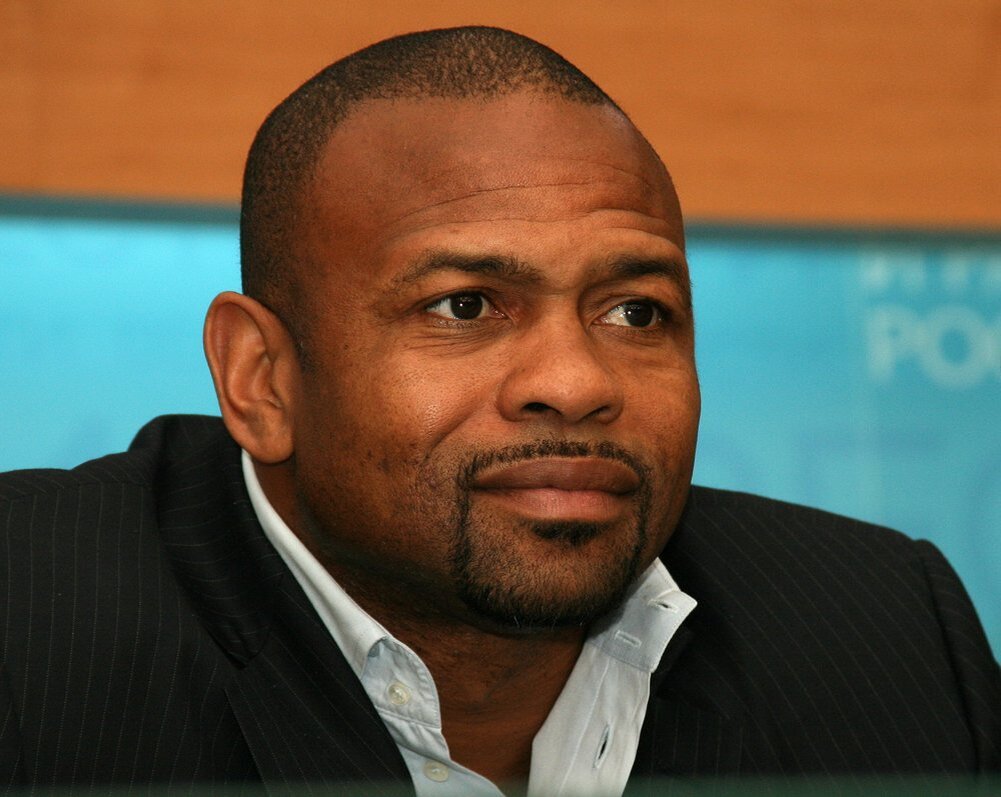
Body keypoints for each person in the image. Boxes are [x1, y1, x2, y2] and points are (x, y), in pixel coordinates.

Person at [1, 26, 998, 793]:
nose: (575, 381)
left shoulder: (883, 633)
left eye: (635, 310)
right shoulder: (30, 631)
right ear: (261, 377)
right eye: (465, 306)